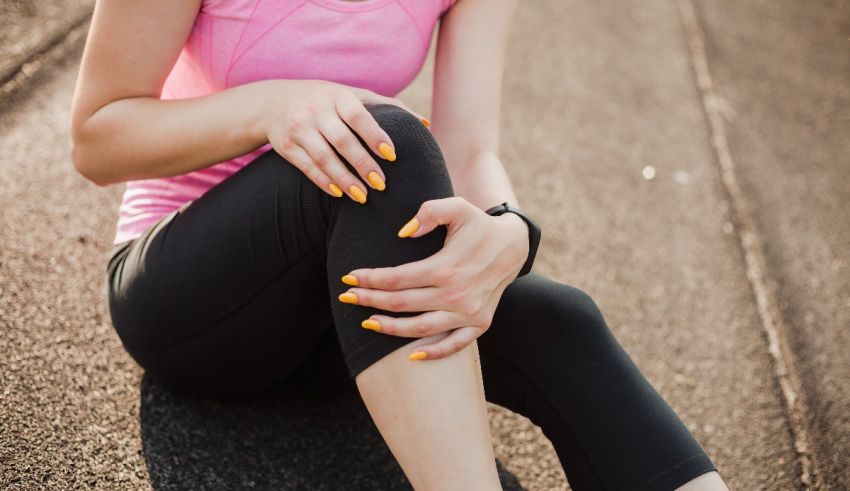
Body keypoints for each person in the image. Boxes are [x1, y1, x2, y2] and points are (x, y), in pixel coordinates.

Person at [70, 0, 729, 489]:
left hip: (330, 301)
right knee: (390, 143)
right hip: (184, 295)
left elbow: (470, 145)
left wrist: (509, 228)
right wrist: (272, 106)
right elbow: (98, 136)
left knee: (560, 320)